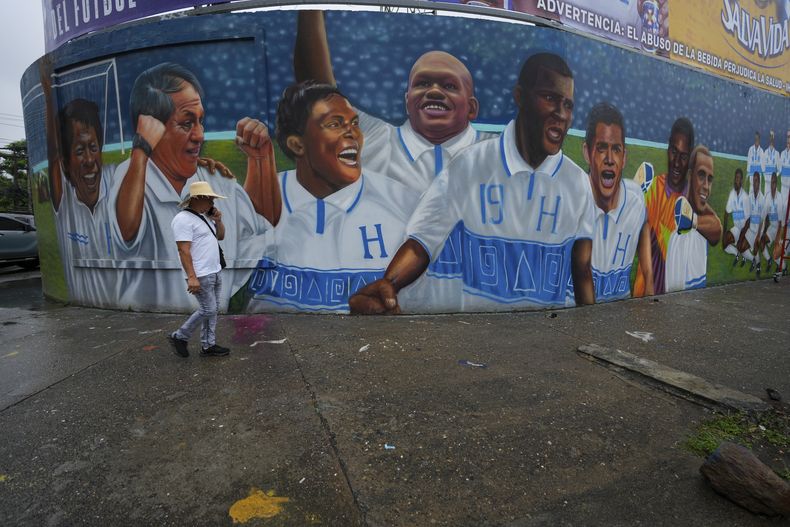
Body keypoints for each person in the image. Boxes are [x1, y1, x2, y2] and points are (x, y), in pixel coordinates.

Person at [349, 52, 596, 314]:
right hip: (479, 338)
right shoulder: (469, 164)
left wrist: (590, 327)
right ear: (520, 97)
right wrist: (389, 285)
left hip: (548, 336)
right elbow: (421, 243)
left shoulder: (577, 182)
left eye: (568, 105)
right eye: (550, 98)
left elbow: (582, 268)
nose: (561, 114)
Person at [110, 62, 280, 312]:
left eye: (201, 121)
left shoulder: (215, 179)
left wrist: (260, 159)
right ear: (150, 128)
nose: (200, 135)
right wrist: (140, 149)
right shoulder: (132, 177)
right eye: (187, 123)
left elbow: (261, 224)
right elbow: (126, 231)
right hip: (153, 324)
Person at [245, 82, 420, 312]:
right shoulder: (264, 197)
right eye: (335, 124)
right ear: (297, 145)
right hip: (272, 345)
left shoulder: (402, 203)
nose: (352, 133)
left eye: (354, 123)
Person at [293, 11, 496, 194]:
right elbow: (317, 90)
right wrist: (313, 9)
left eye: (449, 86)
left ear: (472, 108)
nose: (434, 91)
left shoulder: (500, 149)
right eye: (423, 83)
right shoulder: (375, 139)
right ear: (407, 101)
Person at [633, 117, 717, 296]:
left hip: (674, 305)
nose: (677, 162)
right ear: (667, 149)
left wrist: (693, 221)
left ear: (690, 160)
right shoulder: (654, 187)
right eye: (673, 152)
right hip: (642, 298)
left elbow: (716, 231)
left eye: (684, 156)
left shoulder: (693, 198)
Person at [583, 103, 653, 301]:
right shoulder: (572, 199)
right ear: (587, 153)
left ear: (624, 158)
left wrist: (649, 284)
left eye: (616, 149)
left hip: (620, 320)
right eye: (601, 148)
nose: (609, 159)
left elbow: (644, 227)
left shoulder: (635, 198)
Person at [167, 181, 230, 357]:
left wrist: (218, 220)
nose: (212, 204)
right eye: (210, 199)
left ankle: (209, 345)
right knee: (208, 309)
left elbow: (221, 236)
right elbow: (183, 249)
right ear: (198, 198)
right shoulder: (182, 219)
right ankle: (180, 336)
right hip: (200, 274)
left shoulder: (204, 218)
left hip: (214, 271)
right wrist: (192, 277)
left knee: (213, 310)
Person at [665, 145, 722, 292]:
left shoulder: (700, 217)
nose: (706, 186)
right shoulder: (675, 232)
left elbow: (717, 231)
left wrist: (692, 221)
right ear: (690, 176)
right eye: (701, 175)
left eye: (710, 180)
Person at [759, 172, 784, 273]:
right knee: (762, 241)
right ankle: (769, 261)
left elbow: (780, 223)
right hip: (771, 228)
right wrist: (761, 232)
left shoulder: (780, 197)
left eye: (774, 182)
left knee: (776, 253)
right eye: (771, 182)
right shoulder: (768, 196)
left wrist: (777, 240)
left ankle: (784, 267)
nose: (772, 185)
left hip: (779, 229)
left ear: (776, 183)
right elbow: (763, 216)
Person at [743, 171, 766, 272]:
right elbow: (748, 215)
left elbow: (762, 219)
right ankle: (754, 260)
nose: (754, 183)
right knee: (742, 247)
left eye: (756, 181)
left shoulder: (763, 198)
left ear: (759, 182)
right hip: (751, 228)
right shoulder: (750, 197)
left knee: (756, 248)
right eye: (753, 181)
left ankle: (758, 266)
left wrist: (758, 235)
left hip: (759, 230)